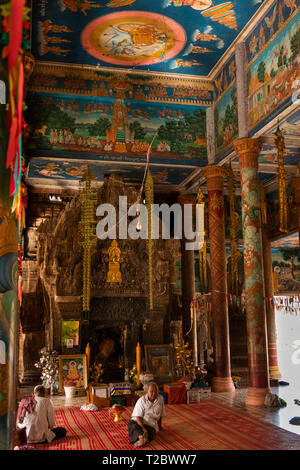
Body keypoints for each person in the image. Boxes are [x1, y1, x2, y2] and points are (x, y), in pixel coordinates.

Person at [128, 382, 165, 448]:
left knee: (152, 432)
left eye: (155, 391)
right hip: (138, 423)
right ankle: (141, 438)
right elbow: (138, 417)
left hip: (150, 425)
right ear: (147, 391)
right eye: (151, 391)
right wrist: (143, 428)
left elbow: (161, 414)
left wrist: (160, 428)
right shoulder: (141, 400)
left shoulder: (160, 399)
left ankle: (142, 439)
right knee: (133, 426)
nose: (154, 393)